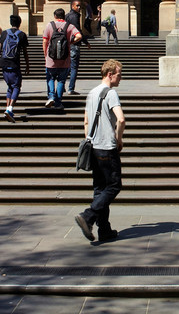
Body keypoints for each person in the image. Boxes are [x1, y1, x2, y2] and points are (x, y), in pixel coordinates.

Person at [74, 59, 125, 244]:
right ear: (110, 74)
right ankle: (88, 216)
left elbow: (86, 121)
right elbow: (121, 120)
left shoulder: (92, 92)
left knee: (100, 188)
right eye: (119, 74)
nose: (121, 78)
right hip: (107, 147)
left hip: (94, 147)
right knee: (113, 186)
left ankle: (104, 230)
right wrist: (118, 140)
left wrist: (89, 140)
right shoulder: (111, 93)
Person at [42, 8, 81, 109]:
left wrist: (45, 54)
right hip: (65, 59)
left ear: (55, 16)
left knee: (50, 78)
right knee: (61, 80)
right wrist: (70, 42)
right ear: (64, 16)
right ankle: (58, 102)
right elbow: (79, 36)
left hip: (51, 58)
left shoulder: (49, 25)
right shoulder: (69, 26)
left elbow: (45, 41)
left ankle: (51, 96)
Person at [0, 14, 30, 122]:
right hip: (14, 64)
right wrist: (27, 65)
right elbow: (25, 52)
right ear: (19, 23)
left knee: (9, 87)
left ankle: (7, 108)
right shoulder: (21, 35)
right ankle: (10, 109)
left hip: (3, 63)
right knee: (16, 86)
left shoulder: (4, 33)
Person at [65, 0, 90, 96]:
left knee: (67, 66)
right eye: (77, 6)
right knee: (74, 67)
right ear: (72, 6)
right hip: (74, 44)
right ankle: (71, 89)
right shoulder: (74, 17)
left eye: (80, 6)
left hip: (67, 44)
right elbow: (77, 31)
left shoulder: (67, 16)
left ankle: (61, 85)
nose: (79, 8)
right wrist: (85, 42)